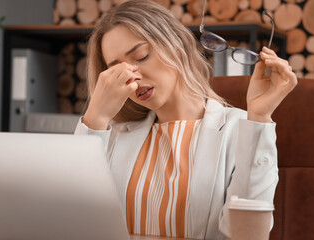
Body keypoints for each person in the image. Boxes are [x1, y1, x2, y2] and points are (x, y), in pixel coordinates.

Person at [74, 0, 297, 239]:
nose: (131, 78)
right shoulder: (110, 134)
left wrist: (260, 117)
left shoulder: (242, 129)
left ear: (176, 46)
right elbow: (72, 219)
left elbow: (250, 235)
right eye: (116, 71)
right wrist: (95, 116)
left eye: (141, 56)